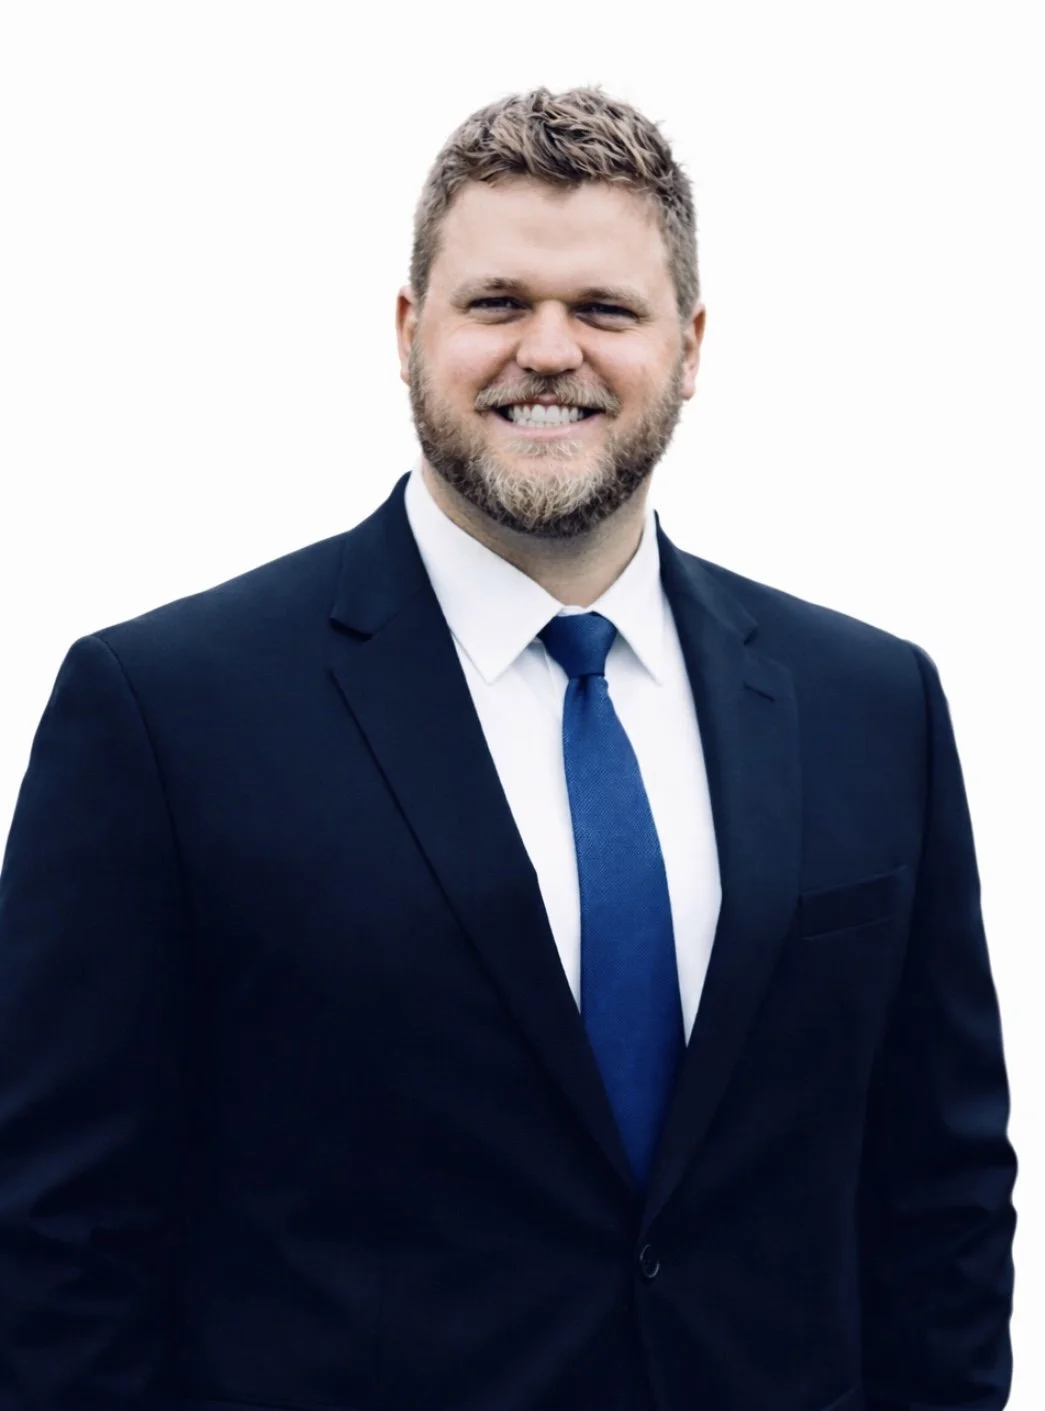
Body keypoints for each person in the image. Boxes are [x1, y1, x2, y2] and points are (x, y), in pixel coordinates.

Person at [0, 85, 1016, 1411]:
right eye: (496, 304)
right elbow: (58, 1238)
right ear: (411, 332)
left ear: (692, 345)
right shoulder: (162, 712)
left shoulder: (871, 704)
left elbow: (938, 1194)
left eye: (604, 309)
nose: (549, 350)